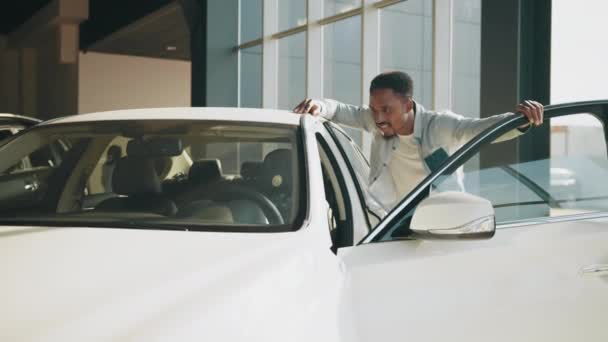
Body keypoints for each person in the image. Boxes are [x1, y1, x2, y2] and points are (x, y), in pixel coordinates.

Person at [293, 71, 544, 215]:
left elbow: (480, 128)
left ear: (408, 105)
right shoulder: (374, 120)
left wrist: (521, 121)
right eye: (373, 109)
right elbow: (338, 110)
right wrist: (319, 105)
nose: (378, 118)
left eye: (386, 110)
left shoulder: (440, 125)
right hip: (391, 223)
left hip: (443, 222)